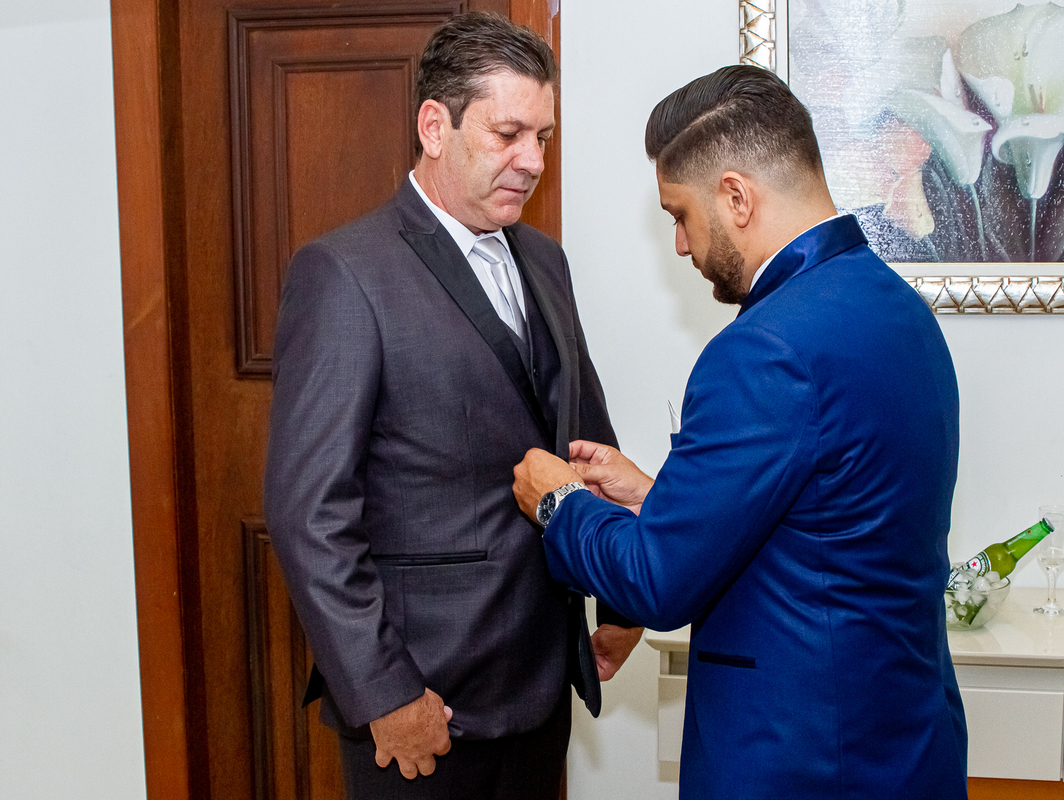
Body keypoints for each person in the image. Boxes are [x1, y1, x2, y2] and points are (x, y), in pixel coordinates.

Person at [512, 65, 968, 799]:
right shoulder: (898, 309)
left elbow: (657, 584)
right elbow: (828, 519)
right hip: (904, 741)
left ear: (736, 196)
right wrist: (658, 498)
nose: (681, 245)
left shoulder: (764, 349)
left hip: (801, 759)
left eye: (680, 215)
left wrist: (558, 501)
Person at [264, 13, 642, 799]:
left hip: (544, 683)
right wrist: (385, 693)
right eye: (508, 135)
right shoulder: (345, 273)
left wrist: (622, 594)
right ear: (435, 127)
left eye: (543, 137)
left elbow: (584, 438)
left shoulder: (545, 260)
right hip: (424, 701)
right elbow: (309, 514)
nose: (533, 160)